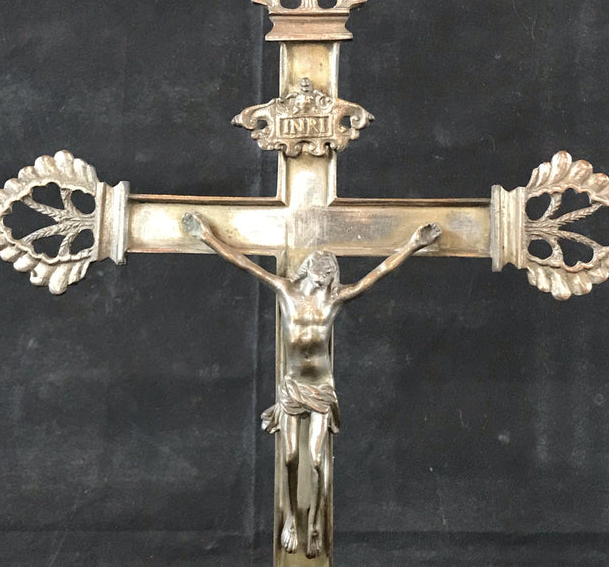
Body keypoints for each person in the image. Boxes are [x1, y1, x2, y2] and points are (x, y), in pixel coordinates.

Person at [182, 212, 441, 558]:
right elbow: (244, 264)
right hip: (292, 386)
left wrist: (413, 244)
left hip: (320, 387)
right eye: (323, 268)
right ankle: (291, 516)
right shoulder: (286, 290)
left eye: (331, 271)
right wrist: (208, 237)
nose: (328, 274)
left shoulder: (334, 301)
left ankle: (316, 520)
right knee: (290, 456)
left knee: (318, 460)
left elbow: (377, 273)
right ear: (309, 268)